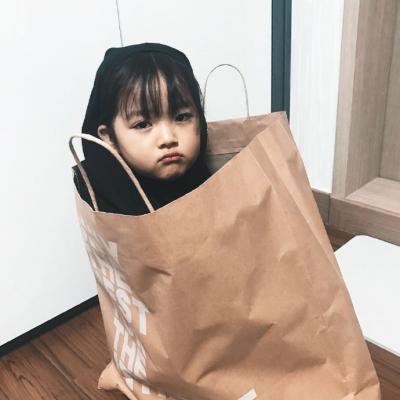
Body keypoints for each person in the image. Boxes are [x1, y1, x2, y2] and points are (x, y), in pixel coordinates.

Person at [73, 42, 212, 215]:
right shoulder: (102, 203)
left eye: (181, 117)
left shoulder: (217, 182)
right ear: (109, 136)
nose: (168, 138)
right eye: (143, 124)